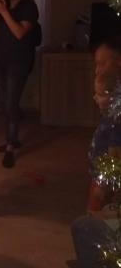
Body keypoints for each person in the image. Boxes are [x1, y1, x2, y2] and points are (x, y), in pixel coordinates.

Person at [0, 0, 40, 168]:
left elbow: (19, 32)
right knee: (4, 102)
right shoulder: (1, 7)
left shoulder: (29, 8)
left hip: (18, 61)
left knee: (10, 102)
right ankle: (15, 127)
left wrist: (4, 12)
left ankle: (10, 144)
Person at [71, 72, 121, 267]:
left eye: (99, 94)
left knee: (94, 216)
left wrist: (103, 185)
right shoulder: (108, 118)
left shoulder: (115, 124)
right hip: (98, 175)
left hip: (103, 180)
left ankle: (97, 254)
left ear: (113, 96)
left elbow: (114, 157)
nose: (94, 98)